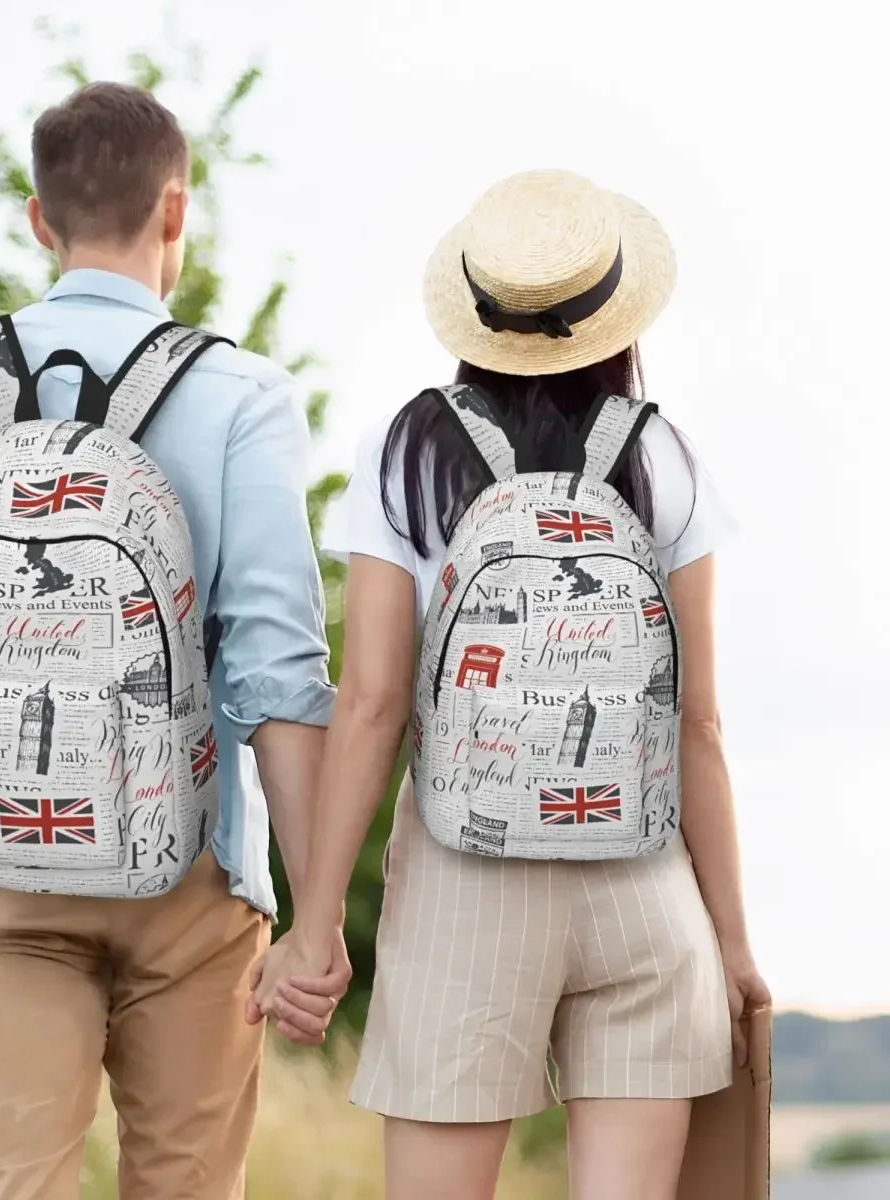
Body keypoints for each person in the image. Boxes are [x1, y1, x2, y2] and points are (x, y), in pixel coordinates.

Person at [0, 81, 350, 1200]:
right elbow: (279, 678)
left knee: (15, 1187)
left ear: (39, 220)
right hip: (191, 875)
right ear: (176, 213)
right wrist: (317, 914)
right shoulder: (240, 396)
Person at [251, 169, 770, 1200]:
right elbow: (698, 723)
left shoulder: (407, 450)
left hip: (463, 884)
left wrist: (314, 926)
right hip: (642, 884)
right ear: (615, 315)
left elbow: (371, 704)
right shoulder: (664, 456)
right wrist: (732, 943)